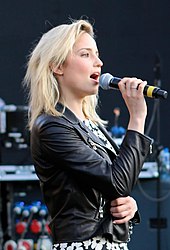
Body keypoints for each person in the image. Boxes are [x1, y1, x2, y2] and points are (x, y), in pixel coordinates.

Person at [23, 18, 152, 250]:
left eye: (97, 54)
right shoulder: (52, 127)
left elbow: (114, 183)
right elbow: (116, 181)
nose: (99, 63)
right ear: (57, 66)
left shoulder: (92, 124)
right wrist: (138, 118)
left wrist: (128, 206)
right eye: (86, 55)